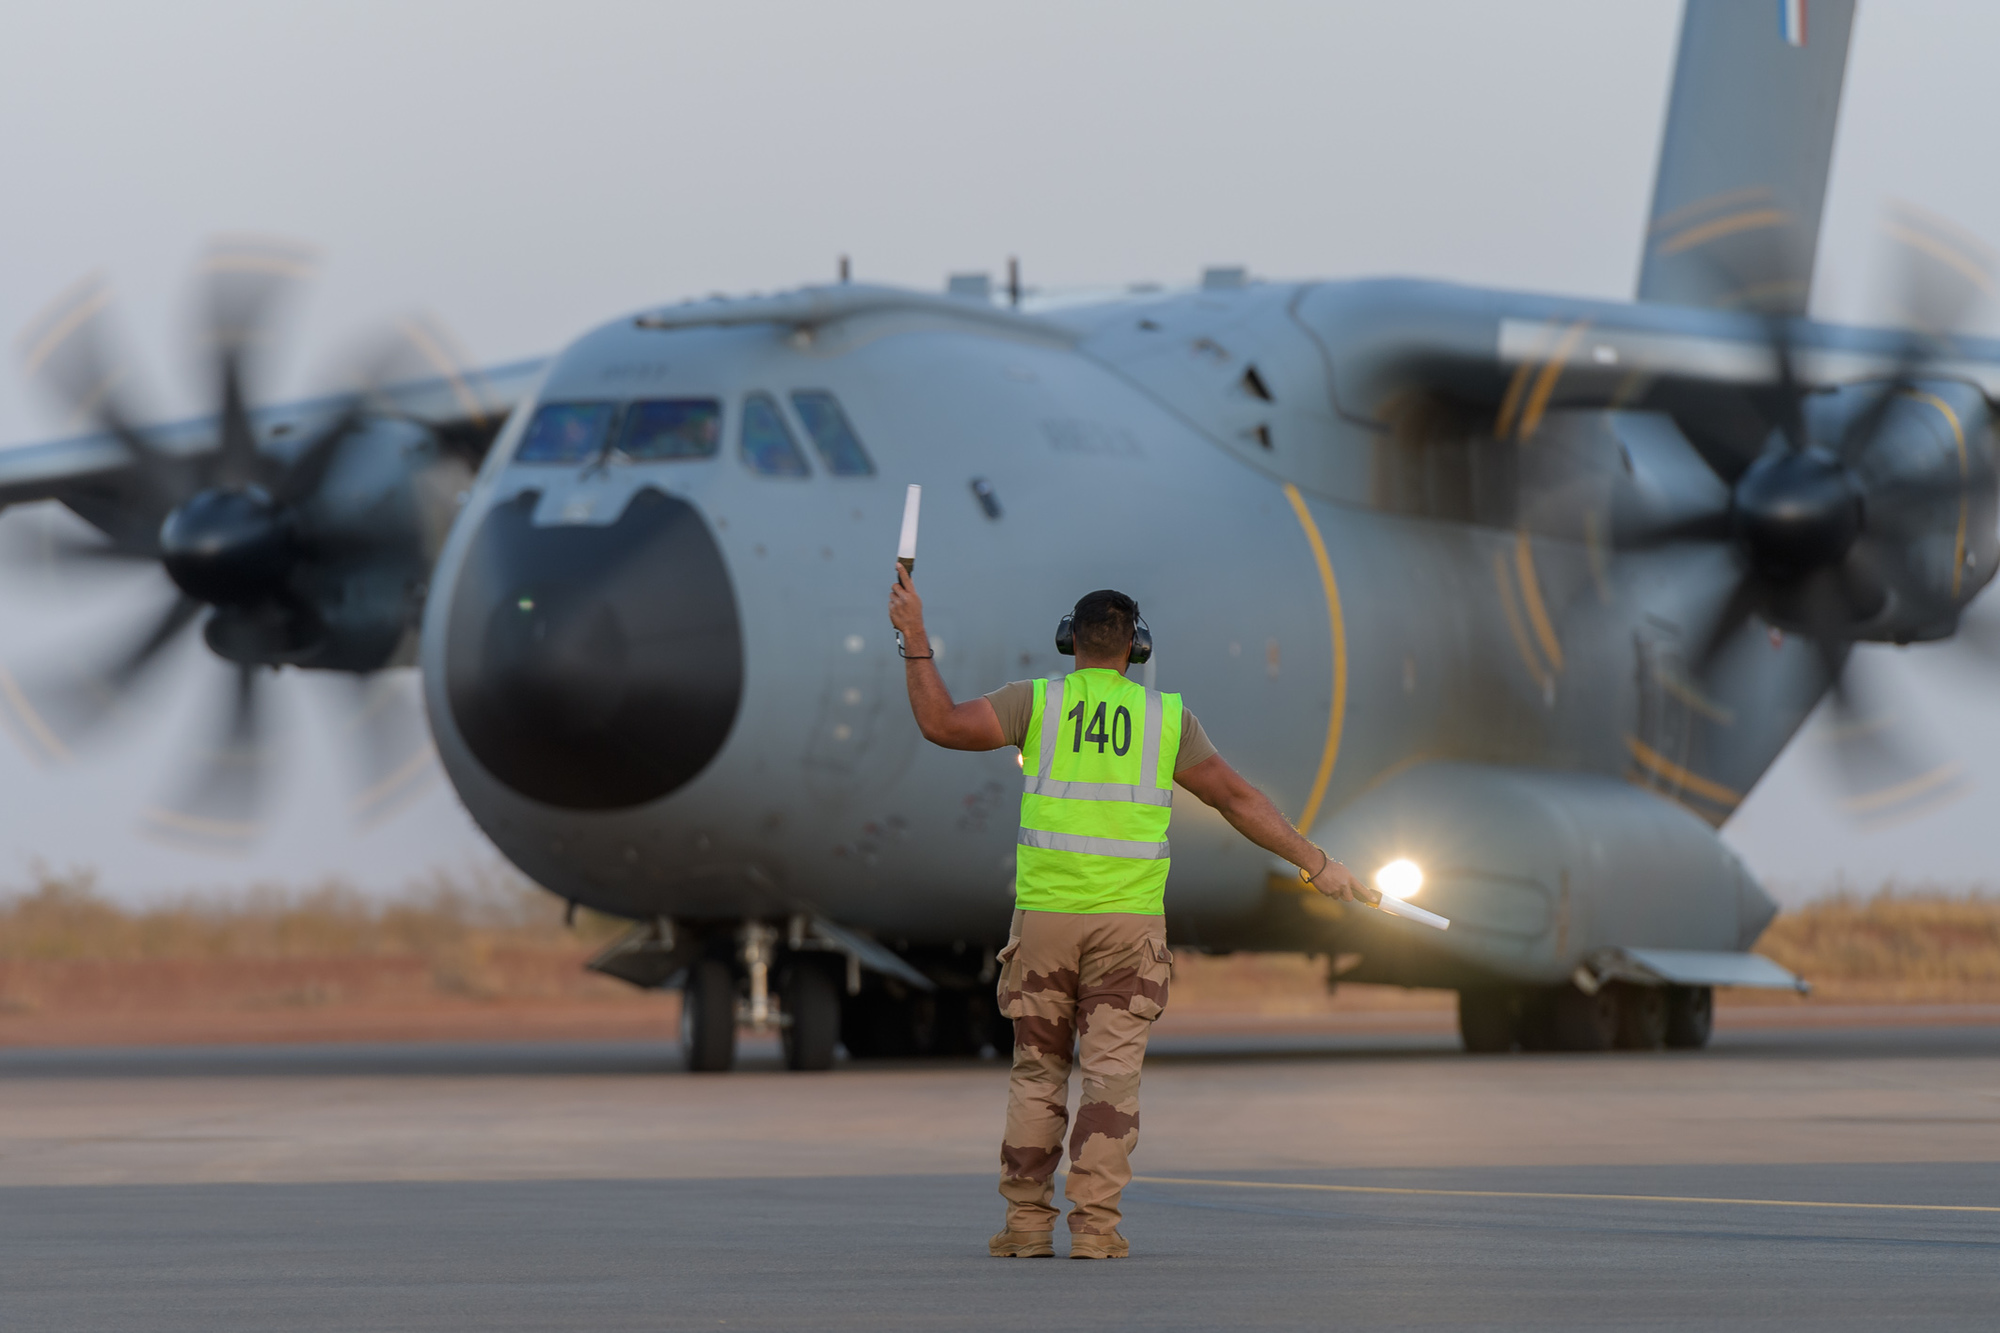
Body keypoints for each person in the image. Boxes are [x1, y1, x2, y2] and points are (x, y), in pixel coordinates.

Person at [887, 571, 1375, 1260]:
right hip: (1128, 927)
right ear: (1136, 648)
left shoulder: (1036, 704)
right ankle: (1096, 1228)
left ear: (1069, 641)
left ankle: (1027, 1224)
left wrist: (913, 635)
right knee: (1110, 1079)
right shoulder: (1167, 719)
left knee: (1037, 1073)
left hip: (1047, 919)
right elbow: (1238, 800)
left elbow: (940, 722)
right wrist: (1317, 862)